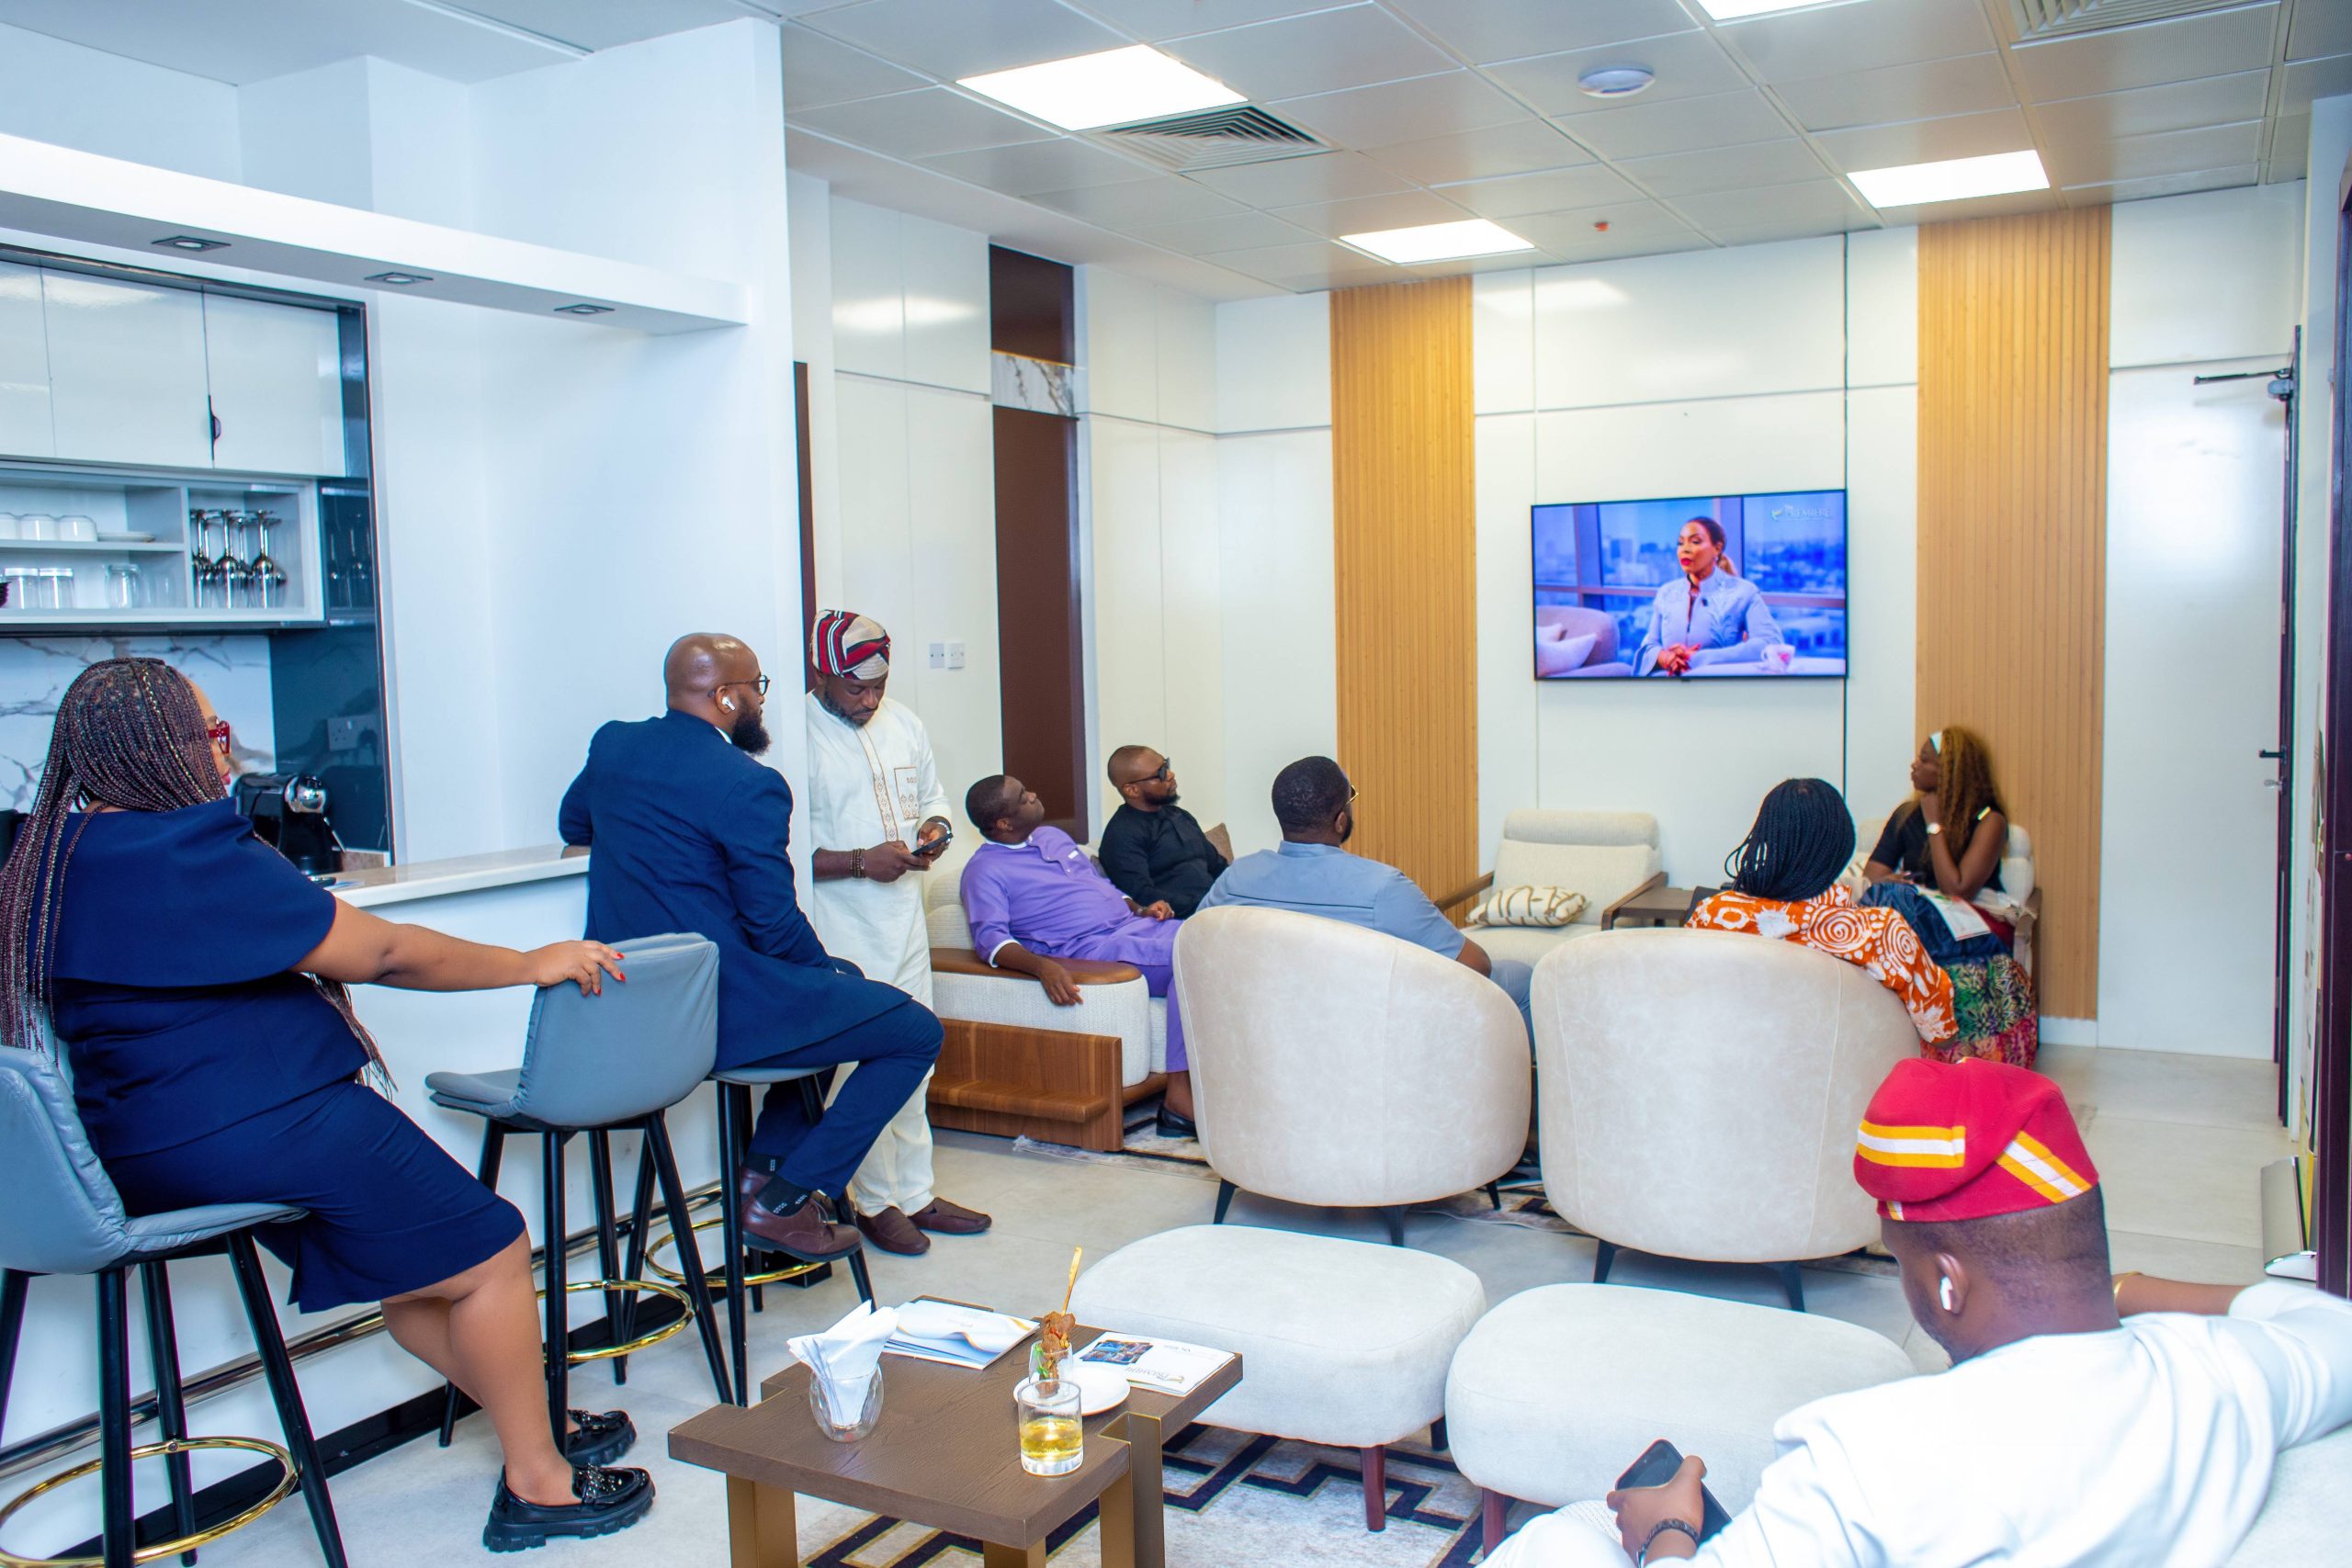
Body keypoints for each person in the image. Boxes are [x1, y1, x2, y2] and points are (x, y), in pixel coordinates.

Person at [1, 658, 652, 1551]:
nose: (226, 756)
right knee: (493, 1246)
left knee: (419, 1272)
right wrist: (530, 961)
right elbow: (381, 954)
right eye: (212, 736)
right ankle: (540, 1485)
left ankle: (535, 1423)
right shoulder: (193, 849)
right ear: (160, 749)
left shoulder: (38, 859)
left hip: (138, 1151)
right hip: (266, 1120)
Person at [1489, 1057, 2352, 1566]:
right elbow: (2320, 1313)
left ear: (1947, 1283)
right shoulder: (2228, 1376)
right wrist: (2119, 1293)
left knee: (1562, 1539)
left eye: (1901, 1263)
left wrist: (1671, 1530)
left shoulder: (1868, 1460)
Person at [558, 634, 943, 1266]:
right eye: (756, 688)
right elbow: (772, 923)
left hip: (631, 999)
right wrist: (825, 983)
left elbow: (575, 826)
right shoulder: (748, 782)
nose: (761, 701)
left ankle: (761, 1171)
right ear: (725, 697)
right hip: (715, 1007)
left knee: (839, 986)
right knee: (913, 1029)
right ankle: (786, 1199)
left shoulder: (615, 745)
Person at [800, 609, 989, 1257]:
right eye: (856, 688)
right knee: (865, 1067)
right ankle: (873, 1200)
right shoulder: (793, 738)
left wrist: (937, 829)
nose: (870, 700)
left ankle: (915, 1192)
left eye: (879, 686)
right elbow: (779, 852)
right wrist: (859, 862)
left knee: (917, 1058)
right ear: (822, 673)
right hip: (838, 929)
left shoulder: (904, 722)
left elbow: (933, 798)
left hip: (904, 919)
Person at [1198, 755, 1532, 1039]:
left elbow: (1194, 943)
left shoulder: (1237, 878)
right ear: (1340, 821)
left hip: (1271, 1031)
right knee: (1520, 978)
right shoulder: (1382, 888)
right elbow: (1475, 966)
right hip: (1372, 1033)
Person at [960, 773, 1194, 1134]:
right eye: (1023, 797)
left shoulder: (1052, 836)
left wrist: (1139, 908)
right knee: (1197, 962)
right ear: (1004, 823)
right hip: (1095, 948)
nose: (1033, 794)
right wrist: (1042, 967)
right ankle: (1179, 1098)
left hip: (1137, 926)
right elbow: (990, 940)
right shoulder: (984, 871)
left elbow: (1100, 886)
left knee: (1221, 940)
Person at [1684, 778, 1955, 1043]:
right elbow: (1941, 1034)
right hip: (1848, 1068)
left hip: (1730, 1059)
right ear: (1843, 845)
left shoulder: (1713, 915)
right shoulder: (1881, 932)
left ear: (1765, 836)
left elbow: (1686, 996)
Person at [1860, 728, 2037, 1066]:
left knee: (1895, 902)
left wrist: (1934, 824)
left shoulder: (1989, 820)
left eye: (1925, 760)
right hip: (1922, 913)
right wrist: (1895, 881)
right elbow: (1874, 873)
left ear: (1951, 771)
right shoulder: (1905, 814)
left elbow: (1958, 887)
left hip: (1973, 921)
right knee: (1888, 896)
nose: (1914, 765)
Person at [1633, 518, 1783, 678]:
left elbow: (1770, 642)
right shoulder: (1666, 592)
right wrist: (1665, 657)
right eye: (1680, 543)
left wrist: (1700, 658)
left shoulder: (1744, 592)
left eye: (1695, 542)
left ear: (1717, 549)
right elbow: (1650, 644)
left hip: (1718, 686)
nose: (1685, 549)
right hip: (1667, 685)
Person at [1097, 745, 1228, 919]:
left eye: (1166, 766)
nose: (1170, 774)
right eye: (1160, 773)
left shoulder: (1180, 816)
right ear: (1132, 790)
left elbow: (1218, 867)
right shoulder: (1122, 834)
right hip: (1181, 921)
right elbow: (1141, 895)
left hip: (1218, 910)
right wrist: (1207, 904)